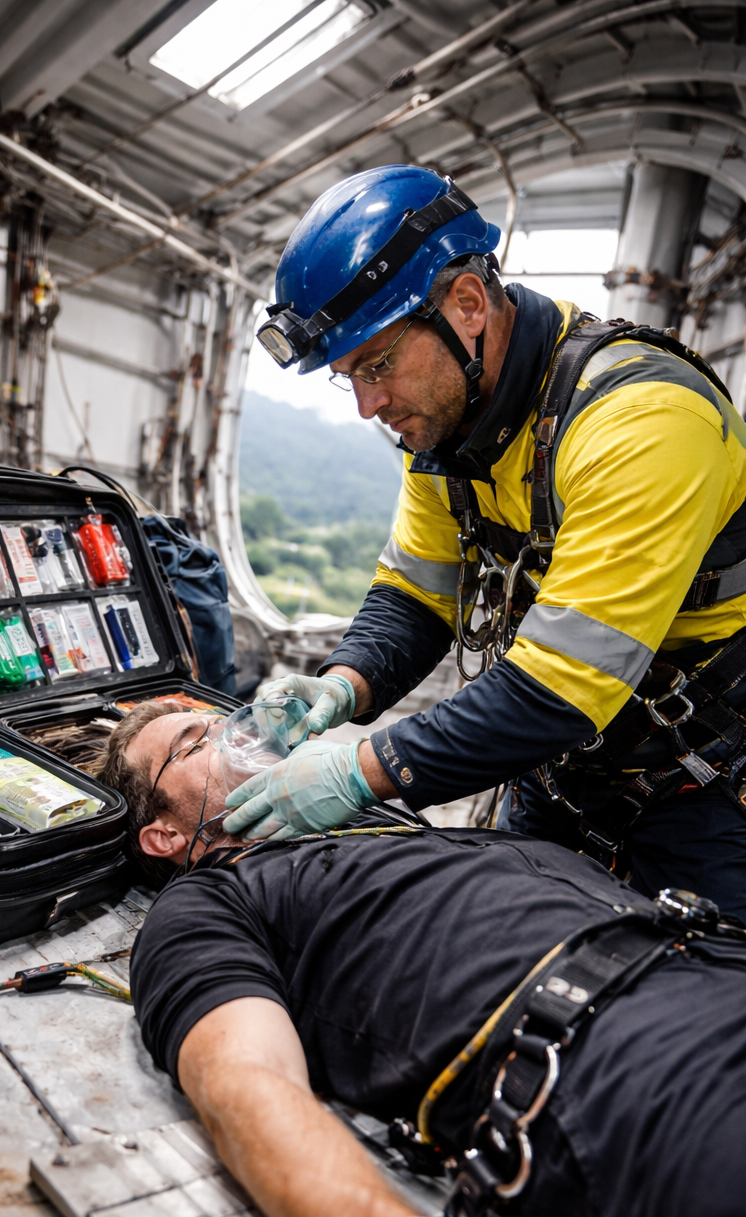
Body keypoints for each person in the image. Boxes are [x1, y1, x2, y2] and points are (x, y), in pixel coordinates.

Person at [96, 701, 746, 1217]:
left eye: (236, 717)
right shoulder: (210, 904)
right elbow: (243, 1081)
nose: (244, 734)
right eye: (197, 741)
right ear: (165, 835)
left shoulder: (416, 828)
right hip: (629, 1073)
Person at [225, 165, 746, 918]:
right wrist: (341, 685)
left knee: (700, 1012)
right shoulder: (447, 435)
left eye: (377, 365)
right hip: (561, 773)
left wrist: (362, 772)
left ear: (467, 304)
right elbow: (416, 597)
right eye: (350, 378)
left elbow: (558, 687)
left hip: (704, 785)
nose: (370, 405)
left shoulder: (643, 420)